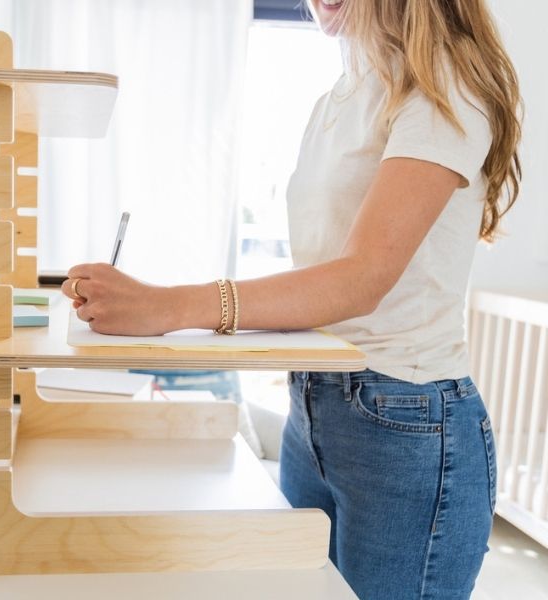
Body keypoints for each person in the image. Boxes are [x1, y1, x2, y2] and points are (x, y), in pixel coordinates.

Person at [60, 0, 521, 597]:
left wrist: (169, 307)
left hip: (404, 422)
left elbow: (360, 278)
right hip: (316, 406)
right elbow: (321, 276)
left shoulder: (444, 86)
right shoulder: (339, 97)